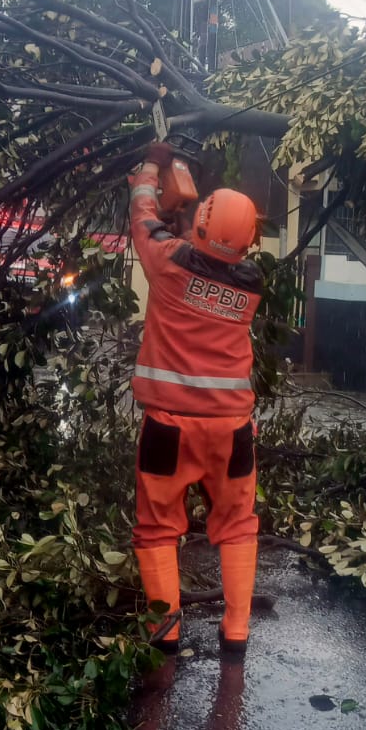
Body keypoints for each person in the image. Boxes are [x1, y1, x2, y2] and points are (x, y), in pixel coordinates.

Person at [128, 142, 264, 652]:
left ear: (201, 223)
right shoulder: (251, 286)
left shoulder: (167, 264)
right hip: (231, 432)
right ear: (248, 242)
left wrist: (149, 169)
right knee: (237, 527)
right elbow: (212, 263)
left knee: (159, 529)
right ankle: (236, 634)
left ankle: (166, 634)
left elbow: (144, 215)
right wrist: (190, 224)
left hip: (169, 427)